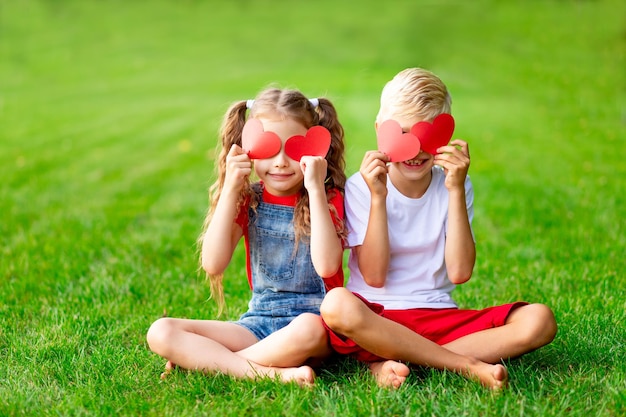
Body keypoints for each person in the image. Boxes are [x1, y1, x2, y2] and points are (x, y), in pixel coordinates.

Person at [320, 68, 557, 390]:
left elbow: (459, 272)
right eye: (403, 134)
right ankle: (464, 364)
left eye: (429, 135)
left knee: (538, 319)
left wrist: (456, 190)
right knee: (336, 304)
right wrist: (379, 197)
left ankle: (389, 364)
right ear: (380, 131)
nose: (416, 150)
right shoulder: (363, 186)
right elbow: (374, 276)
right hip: (377, 318)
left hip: (438, 315)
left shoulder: (454, 184)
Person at [147, 87, 347, 386]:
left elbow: (328, 267)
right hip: (257, 321)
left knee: (308, 328)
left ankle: (210, 361)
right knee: (161, 331)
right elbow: (213, 263)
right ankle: (269, 373)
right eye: (267, 148)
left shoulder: (328, 197)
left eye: (294, 149)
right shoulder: (248, 199)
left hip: (314, 323)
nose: (280, 161)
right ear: (248, 148)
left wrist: (316, 189)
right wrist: (230, 188)